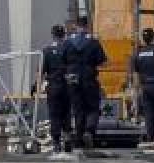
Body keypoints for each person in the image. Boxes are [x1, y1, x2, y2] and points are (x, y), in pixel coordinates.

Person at [64, 15, 107, 148]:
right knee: (93, 106)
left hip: (72, 78)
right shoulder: (93, 42)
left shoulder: (68, 42)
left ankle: (78, 136)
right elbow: (103, 62)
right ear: (87, 26)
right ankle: (89, 130)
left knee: (77, 108)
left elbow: (62, 60)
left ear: (76, 26)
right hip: (89, 77)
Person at [39, 24, 71, 153]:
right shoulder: (69, 49)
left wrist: (39, 87)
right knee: (67, 113)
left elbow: (41, 71)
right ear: (64, 34)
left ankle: (57, 142)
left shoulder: (46, 51)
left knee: (54, 114)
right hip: (67, 86)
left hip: (53, 86)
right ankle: (68, 138)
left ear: (52, 35)